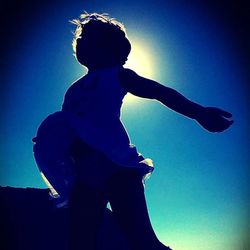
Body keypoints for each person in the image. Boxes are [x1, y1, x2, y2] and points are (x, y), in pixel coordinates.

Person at [33, 13, 233, 250]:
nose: (82, 42)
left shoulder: (118, 75)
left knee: (141, 239)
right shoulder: (73, 90)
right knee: (80, 240)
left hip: (117, 165)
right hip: (86, 175)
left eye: (91, 38)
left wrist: (199, 112)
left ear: (113, 48)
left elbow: (159, 91)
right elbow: (72, 128)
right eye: (82, 38)